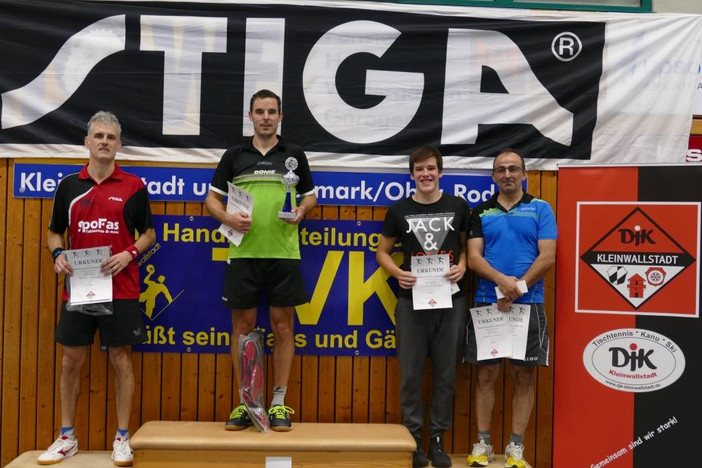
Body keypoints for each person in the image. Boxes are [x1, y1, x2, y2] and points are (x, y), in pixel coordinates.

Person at [39, 111, 156, 466]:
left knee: (121, 359)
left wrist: (129, 253)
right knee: (70, 361)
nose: (105, 141)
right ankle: (67, 436)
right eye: (99, 136)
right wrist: (58, 254)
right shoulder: (69, 186)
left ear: (119, 145)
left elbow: (149, 234)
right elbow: (53, 233)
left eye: (111, 137)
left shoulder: (134, 186)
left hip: (121, 287)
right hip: (79, 288)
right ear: (87, 142)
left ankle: (122, 438)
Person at [205, 89, 316, 432]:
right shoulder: (234, 155)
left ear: (280, 117)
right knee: (242, 330)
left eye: (271, 112)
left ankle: (279, 404)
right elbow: (211, 200)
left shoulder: (294, 155)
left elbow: (310, 196)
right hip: (243, 254)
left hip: (284, 254)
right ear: (250, 116)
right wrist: (227, 218)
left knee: (283, 328)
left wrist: (301, 210)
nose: (265, 117)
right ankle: (247, 403)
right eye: (259, 111)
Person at [376, 146, 469, 468]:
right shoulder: (398, 210)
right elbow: (382, 252)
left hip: (452, 301)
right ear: (412, 174)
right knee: (410, 376)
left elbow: (466, 249)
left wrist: (463, 266)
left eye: (431, 168)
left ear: (440, 172)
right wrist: (397, 272)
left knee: (446, 376)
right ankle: (414, 441)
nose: (425, 174)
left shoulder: (458, 206)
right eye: (419, 169)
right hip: (411, 302)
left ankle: (437, 441)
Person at [464, 148, 557, 468]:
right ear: (493, 176)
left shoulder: (541, 208)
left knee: (523, 377)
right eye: (501, 169)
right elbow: (473, 258)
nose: (507, 174)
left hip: (528, 304)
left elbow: (547, 256)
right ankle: (483, 444)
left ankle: (516, 448)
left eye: (513, 169)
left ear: (524, 174)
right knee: (485, 375)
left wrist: (518, 288)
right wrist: (503, 282)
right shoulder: (481, 211)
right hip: (488, 302)